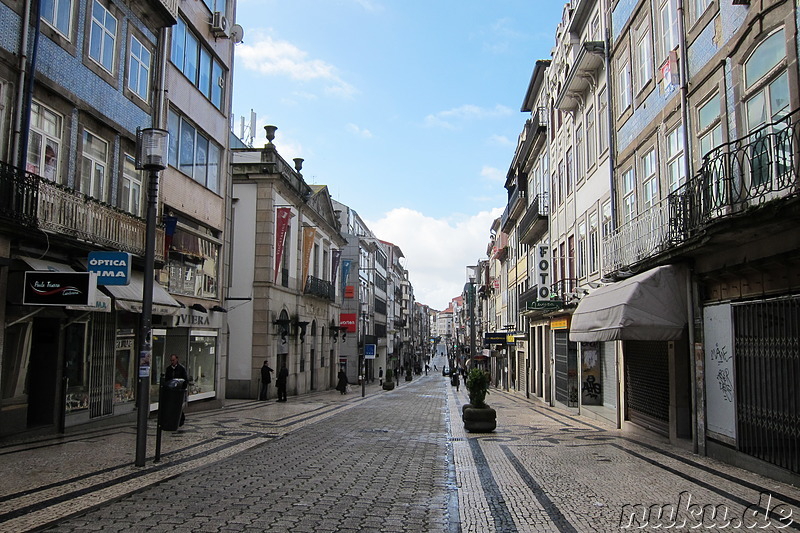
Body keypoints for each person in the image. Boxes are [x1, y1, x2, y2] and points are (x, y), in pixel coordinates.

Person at [165, 354, 188, 426]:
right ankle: (172, 419)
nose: (172, 362)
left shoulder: (181, 368)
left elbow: (185, 380)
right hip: (171, 391)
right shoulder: (168, 369)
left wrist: (182, 388)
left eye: (173, 360)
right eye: (171, 360)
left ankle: (181, 419)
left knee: (178, 406)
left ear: (177, 359)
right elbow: (167, 379)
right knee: (172, 406)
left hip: (179, 391)